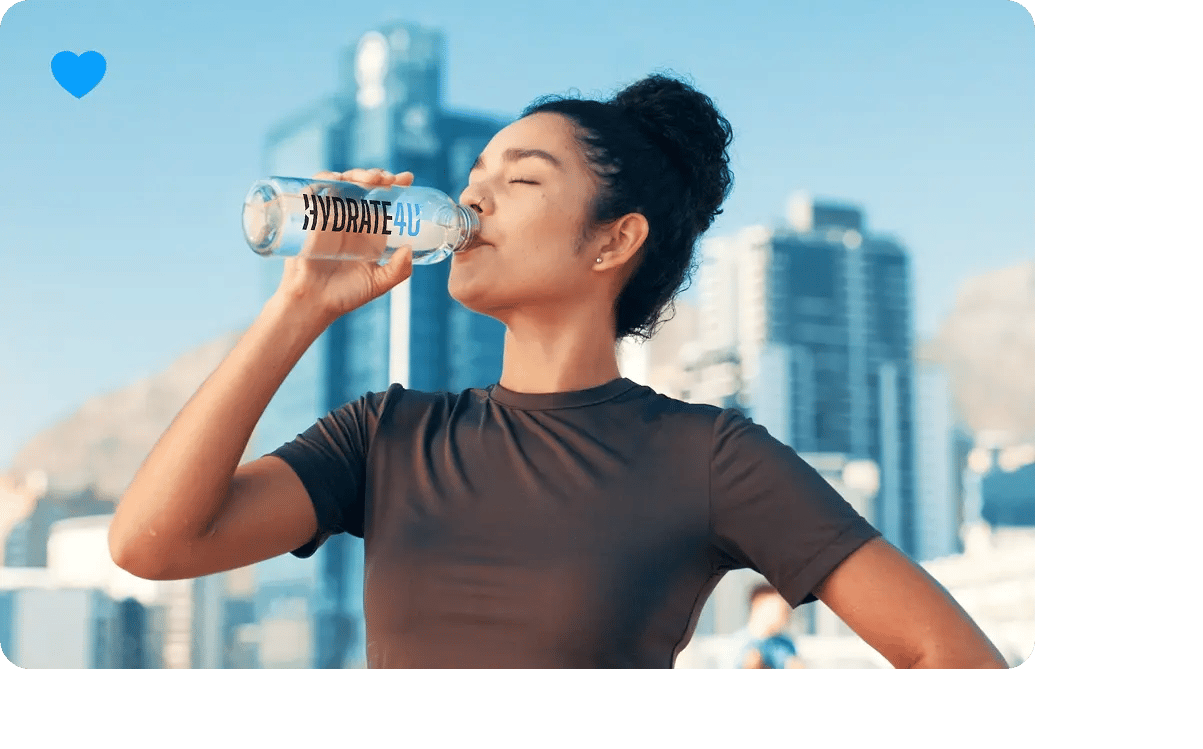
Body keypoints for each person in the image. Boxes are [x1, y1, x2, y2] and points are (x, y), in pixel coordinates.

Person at [109, 73, 1009, 670]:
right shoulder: (386, 434)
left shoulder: (708, 455)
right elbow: (152, 544)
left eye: (522, 180)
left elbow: (955, 662)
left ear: (613, 240)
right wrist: (298, 305)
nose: (470, 197)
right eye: (474, 173)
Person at [736, 584, 805, 670]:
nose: (787, 615)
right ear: (758, 604)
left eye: (787, 610)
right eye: (780, 609)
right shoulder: (738, 644)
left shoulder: (786, 643)